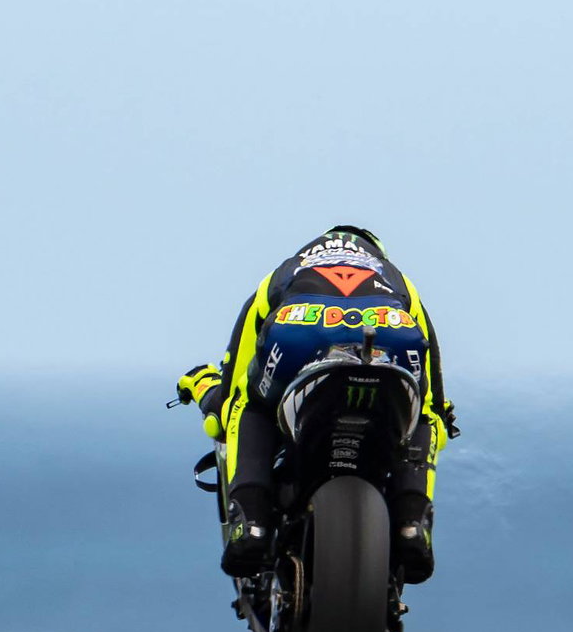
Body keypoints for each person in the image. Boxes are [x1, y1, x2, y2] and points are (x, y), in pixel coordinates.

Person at [176, 225, 457, 584]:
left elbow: (233, 385)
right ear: (375, 252)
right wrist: (437, 416)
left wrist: (211, 393)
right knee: (425, 417)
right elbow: (433, 389)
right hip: (390, 332)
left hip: (299, 332)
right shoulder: (397, 278)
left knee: (248, 404)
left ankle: (252, 522)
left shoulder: (285, 271)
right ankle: (412, 523)